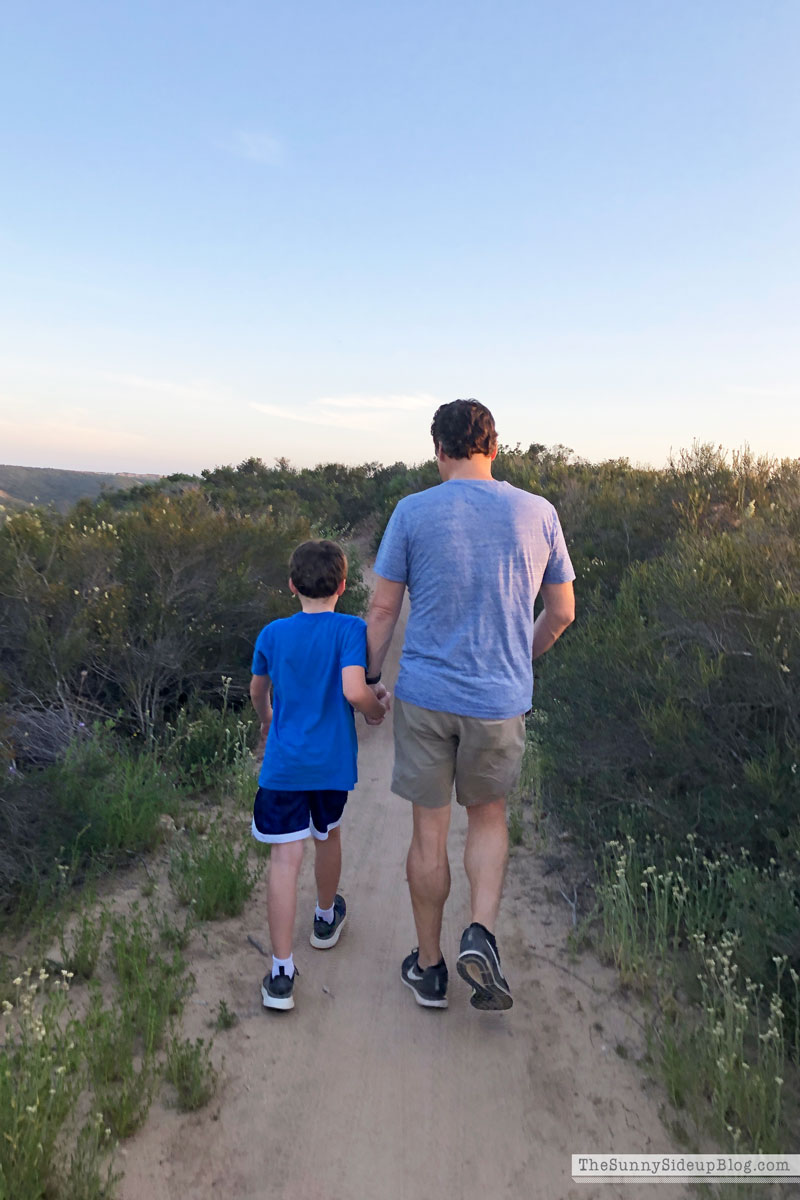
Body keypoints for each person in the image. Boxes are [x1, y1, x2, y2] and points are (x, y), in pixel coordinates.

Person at [365, 400, 575, 1011]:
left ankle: (429, 970)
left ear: (438, 451)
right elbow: (561, 613)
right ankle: (479, 932)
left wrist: (372, 679)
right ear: (496, 446)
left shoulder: (411, 512)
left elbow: (381, 611)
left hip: (426, 697)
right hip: (498, 700)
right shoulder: (539, 512)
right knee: (487, 818)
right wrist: (521, 659)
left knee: (428, 834)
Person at [250, 538, 389, 1011]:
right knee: (327, 835)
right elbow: (355, 688)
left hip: (284, 766)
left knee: (284, 861)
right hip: (330, 765)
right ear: (343, 586)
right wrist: (374, 712)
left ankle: (281, 972)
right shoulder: (351, 629)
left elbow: (256, 691)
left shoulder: (271, 634)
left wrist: (268, 719)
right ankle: (325, 918)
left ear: (292, 585)